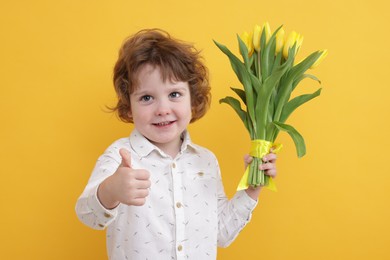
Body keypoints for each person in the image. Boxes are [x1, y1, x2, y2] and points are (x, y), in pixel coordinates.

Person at [75, 29, 277, 260]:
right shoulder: (120, 156)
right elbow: (87, 216)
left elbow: (221, 234)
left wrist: (252, 189)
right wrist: (111, 190)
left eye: (174, 94)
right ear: (129, 106)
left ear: (193, 98)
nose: (162, 109)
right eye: (146, 98)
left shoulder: (206, 160)